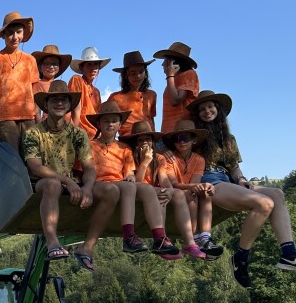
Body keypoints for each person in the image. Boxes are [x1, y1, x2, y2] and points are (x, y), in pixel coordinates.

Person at [189, 90, 296, 286]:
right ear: (197, 115)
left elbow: (234, 167)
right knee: (264, 204)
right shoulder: (195, 137)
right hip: (209, 181)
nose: (207, 111)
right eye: (202, 109)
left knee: (277, 194)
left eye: (210, 107)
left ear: (218, 110)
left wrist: (241, 179)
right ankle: (241, 258)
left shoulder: (228, 138)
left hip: (228, 181)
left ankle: (289, 254)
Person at [21, 80, 120, 272]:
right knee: (52, 185)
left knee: (111, 191)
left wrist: (88, 189)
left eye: (64, 100)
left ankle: (87, 248)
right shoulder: (33, 133)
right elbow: (35, 167)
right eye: (55, 100)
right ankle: (52, 242)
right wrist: (66, 180)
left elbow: (89, 167)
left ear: (69, 105)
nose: (60, 103)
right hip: (42, 182)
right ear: (46, 105)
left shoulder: (78, 134)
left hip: (71, 182)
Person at [86, 101, 180, 257]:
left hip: (121, 184)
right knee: (128, 187)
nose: (110, 124)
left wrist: (130, 177)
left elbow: (129, 172)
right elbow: (87, 171)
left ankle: (159, 238)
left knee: (147, 188)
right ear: (98, 123)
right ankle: (128, 236)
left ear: (120, 124)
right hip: (99, 183)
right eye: (106, 121)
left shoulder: (125, 148)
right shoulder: (90, 145)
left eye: (114, 121)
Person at [122, 121, 210, 259]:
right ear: (135, 142)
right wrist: (144, 163)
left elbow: (164, 180)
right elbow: (137, 182)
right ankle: (161, 241)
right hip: (137, 190)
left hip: (154, 190)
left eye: (147, 139)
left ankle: (189, 242)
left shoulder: (159, 158)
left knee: (178, 194)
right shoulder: (129, 155)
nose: (144, 142)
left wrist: (169, 190)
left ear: (152, 142)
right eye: (140, 140)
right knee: (158, 194)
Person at [0, 11, 39, 153]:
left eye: (18, 32)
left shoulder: (30, 60)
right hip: (5, 119)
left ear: (23, 33)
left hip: (28, 118)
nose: (15, 37)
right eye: (10, 33)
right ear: (3, 35)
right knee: (11, 162)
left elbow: (35, 93)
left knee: (32, 161)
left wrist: (38, 122)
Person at [160, 120, 218, 258]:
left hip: (188, 190)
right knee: (192, 194)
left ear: (194, 140)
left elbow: (195, 182)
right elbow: (174, 183)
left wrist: (203, 187)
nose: (181, 142)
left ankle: (205, 235)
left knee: (204, 192)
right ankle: (193, 237)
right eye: (177, 139)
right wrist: (198, 186)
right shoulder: (168, 158)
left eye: (185, 138)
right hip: (175, 191)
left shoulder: (199, 159)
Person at [153, 42, 200, 132]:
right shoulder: (173, 81)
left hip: (182, 130)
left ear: (173, 62)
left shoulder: (189, 74)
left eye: (165, 61)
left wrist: (169, 75)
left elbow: (175, 100)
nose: (162, 65)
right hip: (168, 130)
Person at [108, 51, 157, 137]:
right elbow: (108, 121)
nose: (138, 76)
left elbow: (151, 119)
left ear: (145, 73)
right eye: (133, 73)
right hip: (128, 139)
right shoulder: (115, 98)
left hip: (149, 138)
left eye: (141, 71)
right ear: (126, 75)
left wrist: (155, 139)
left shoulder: (152, 95)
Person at [68, 46, 109, 139]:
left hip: (95, 135)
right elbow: (75, 111)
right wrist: (74, 135)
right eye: (89, 64)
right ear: (81, 68)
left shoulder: (96, 92)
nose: (93, 68)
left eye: (96, 64)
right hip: (80, 134)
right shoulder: (77, 80)